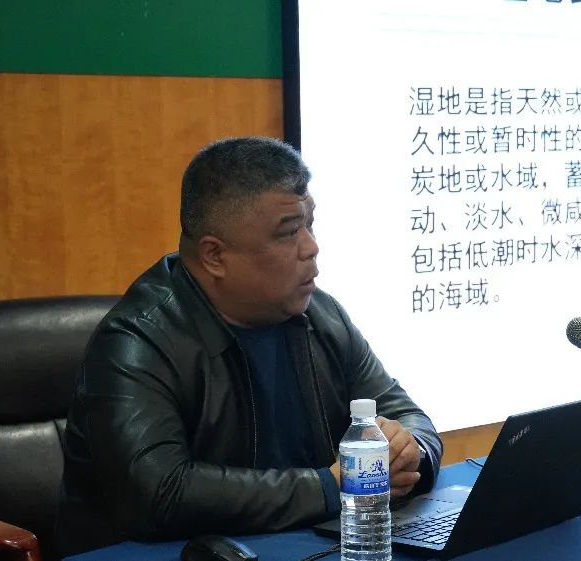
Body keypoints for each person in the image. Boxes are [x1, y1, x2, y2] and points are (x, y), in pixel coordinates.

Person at [51, 137, 443, 559]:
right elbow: (160, 493)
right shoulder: (136, 341)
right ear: (215, 256)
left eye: (310, 224)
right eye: (289, 232)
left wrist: (410, 453)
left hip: (297, 544)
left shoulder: (321, 315)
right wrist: (331, 486)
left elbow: (406, 415)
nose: (311, 247)